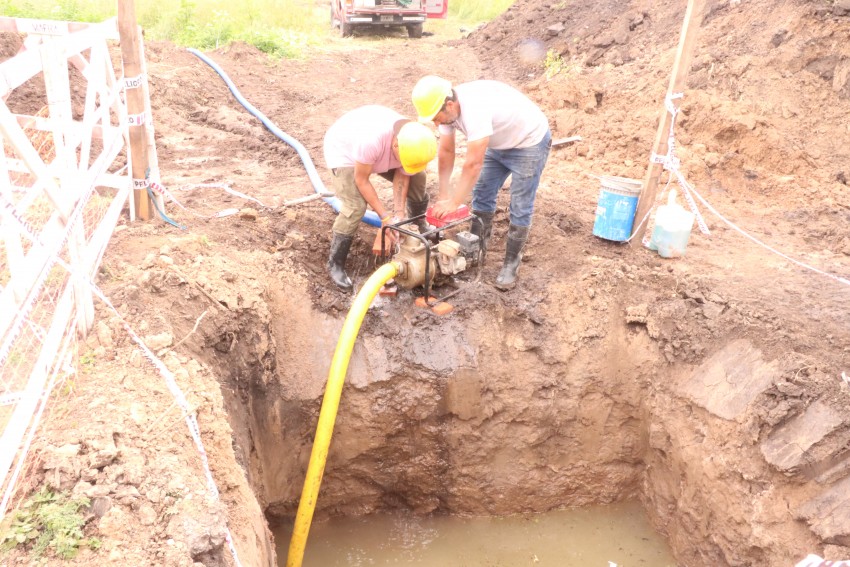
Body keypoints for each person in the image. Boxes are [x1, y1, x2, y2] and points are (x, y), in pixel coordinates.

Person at [411, 75, 551, 290]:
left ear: (450, 105)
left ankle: (511, 264)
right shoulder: (448, 113)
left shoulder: (474, 108)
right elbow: (446, 151)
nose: (436, 123)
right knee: (482, 195)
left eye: (437, 118)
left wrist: (455, 202)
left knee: (520, 205)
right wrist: (444, 195)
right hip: (497, 143)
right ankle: (475, 253)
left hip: (528, 143)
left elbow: (472, 165)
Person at [323, 105, 437, 292]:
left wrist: (398, 216)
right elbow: (362, 180)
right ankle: (335, 263)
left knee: (418, 177)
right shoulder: (370, 142)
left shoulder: (411, 138)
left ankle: (419, 225)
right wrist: (384, 217)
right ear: (395, 145)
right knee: (356, 206)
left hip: (375, 151)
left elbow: (404, 173)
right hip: (345, 153)